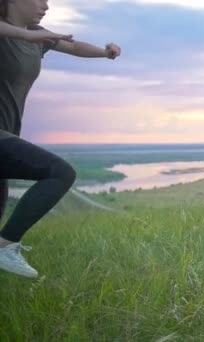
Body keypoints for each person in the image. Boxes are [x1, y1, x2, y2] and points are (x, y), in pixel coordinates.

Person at [0, 0, 121, 278]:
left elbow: (75, 47)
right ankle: (6, 245)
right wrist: (28, 35)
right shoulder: (15, 35)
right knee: (59, 172)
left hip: (7, 137)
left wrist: (105, 52)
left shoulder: (38, 36)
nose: (46, 5)